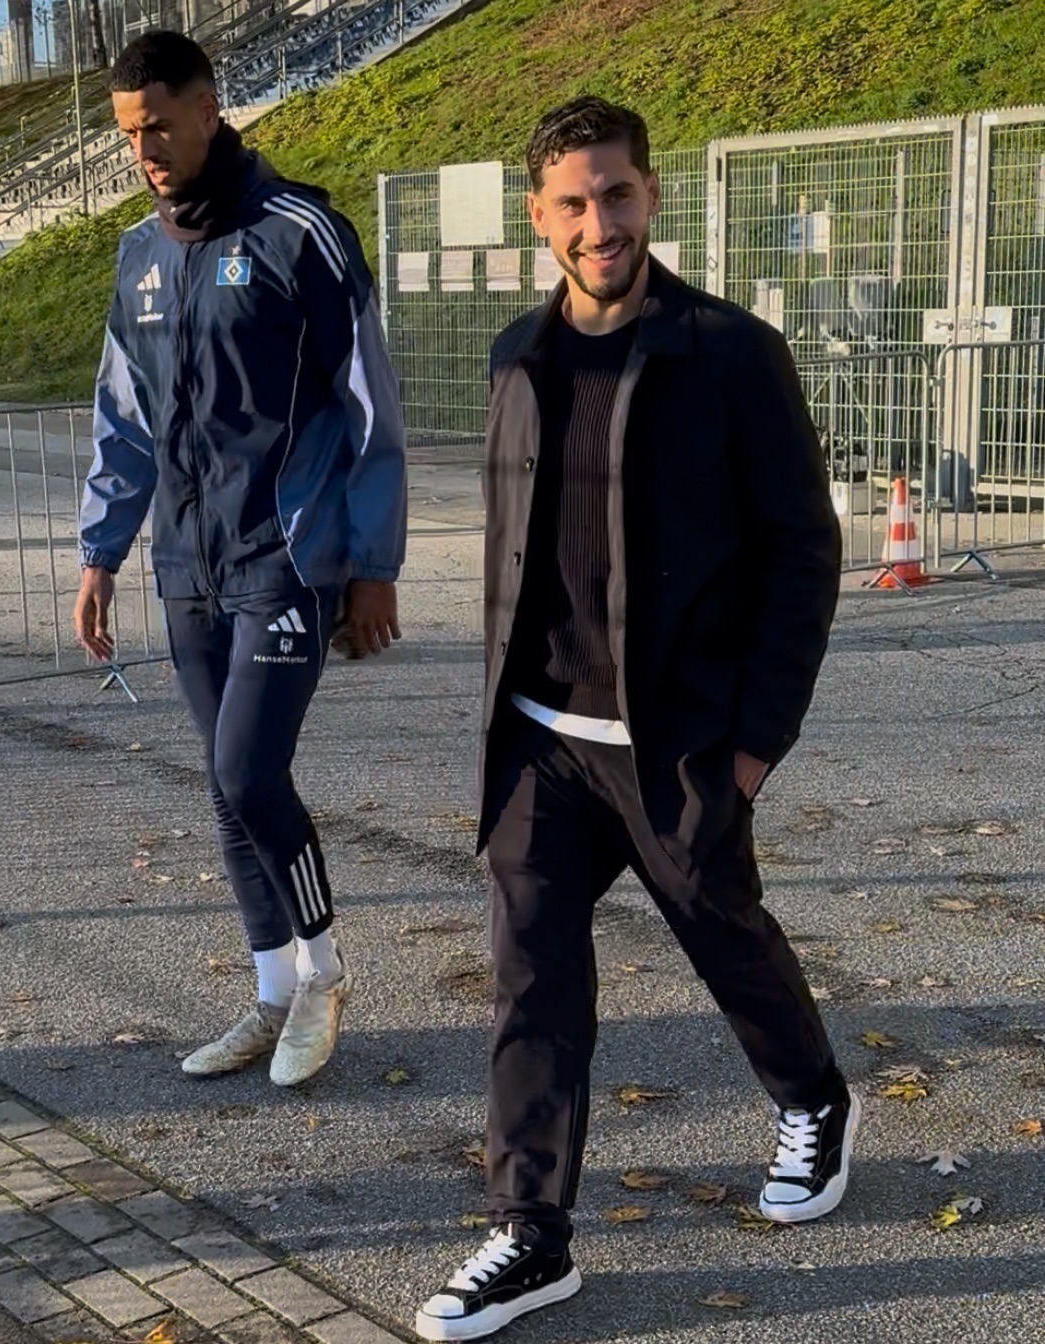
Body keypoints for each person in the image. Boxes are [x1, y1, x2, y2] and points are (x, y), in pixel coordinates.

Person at [416, 97, 856, 1342]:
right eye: (572, 202)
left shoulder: (732, 354)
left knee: (726, 933)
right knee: (530, 981)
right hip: (541, 740)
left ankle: (815, 1098)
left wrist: (752, 747)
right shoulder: (516, 358)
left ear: (650, 195)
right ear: (538, 217)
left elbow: (802, 553)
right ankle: (530, 1231)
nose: (598, 223)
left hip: (678, 743)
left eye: (616, 194)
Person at [73, 31, 406, 1089]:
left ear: (210, 109)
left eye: (159, 126)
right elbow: (123, 419)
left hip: (286, 554)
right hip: (187, 564)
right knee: (224, 791)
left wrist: (374, 563)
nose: (144, 151)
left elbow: (367, 405)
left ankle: (325, 974)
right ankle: (270, 995)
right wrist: (101, 552)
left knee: (246, 771)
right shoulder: (138, 255)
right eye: (128, 135)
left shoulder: (299, 232)